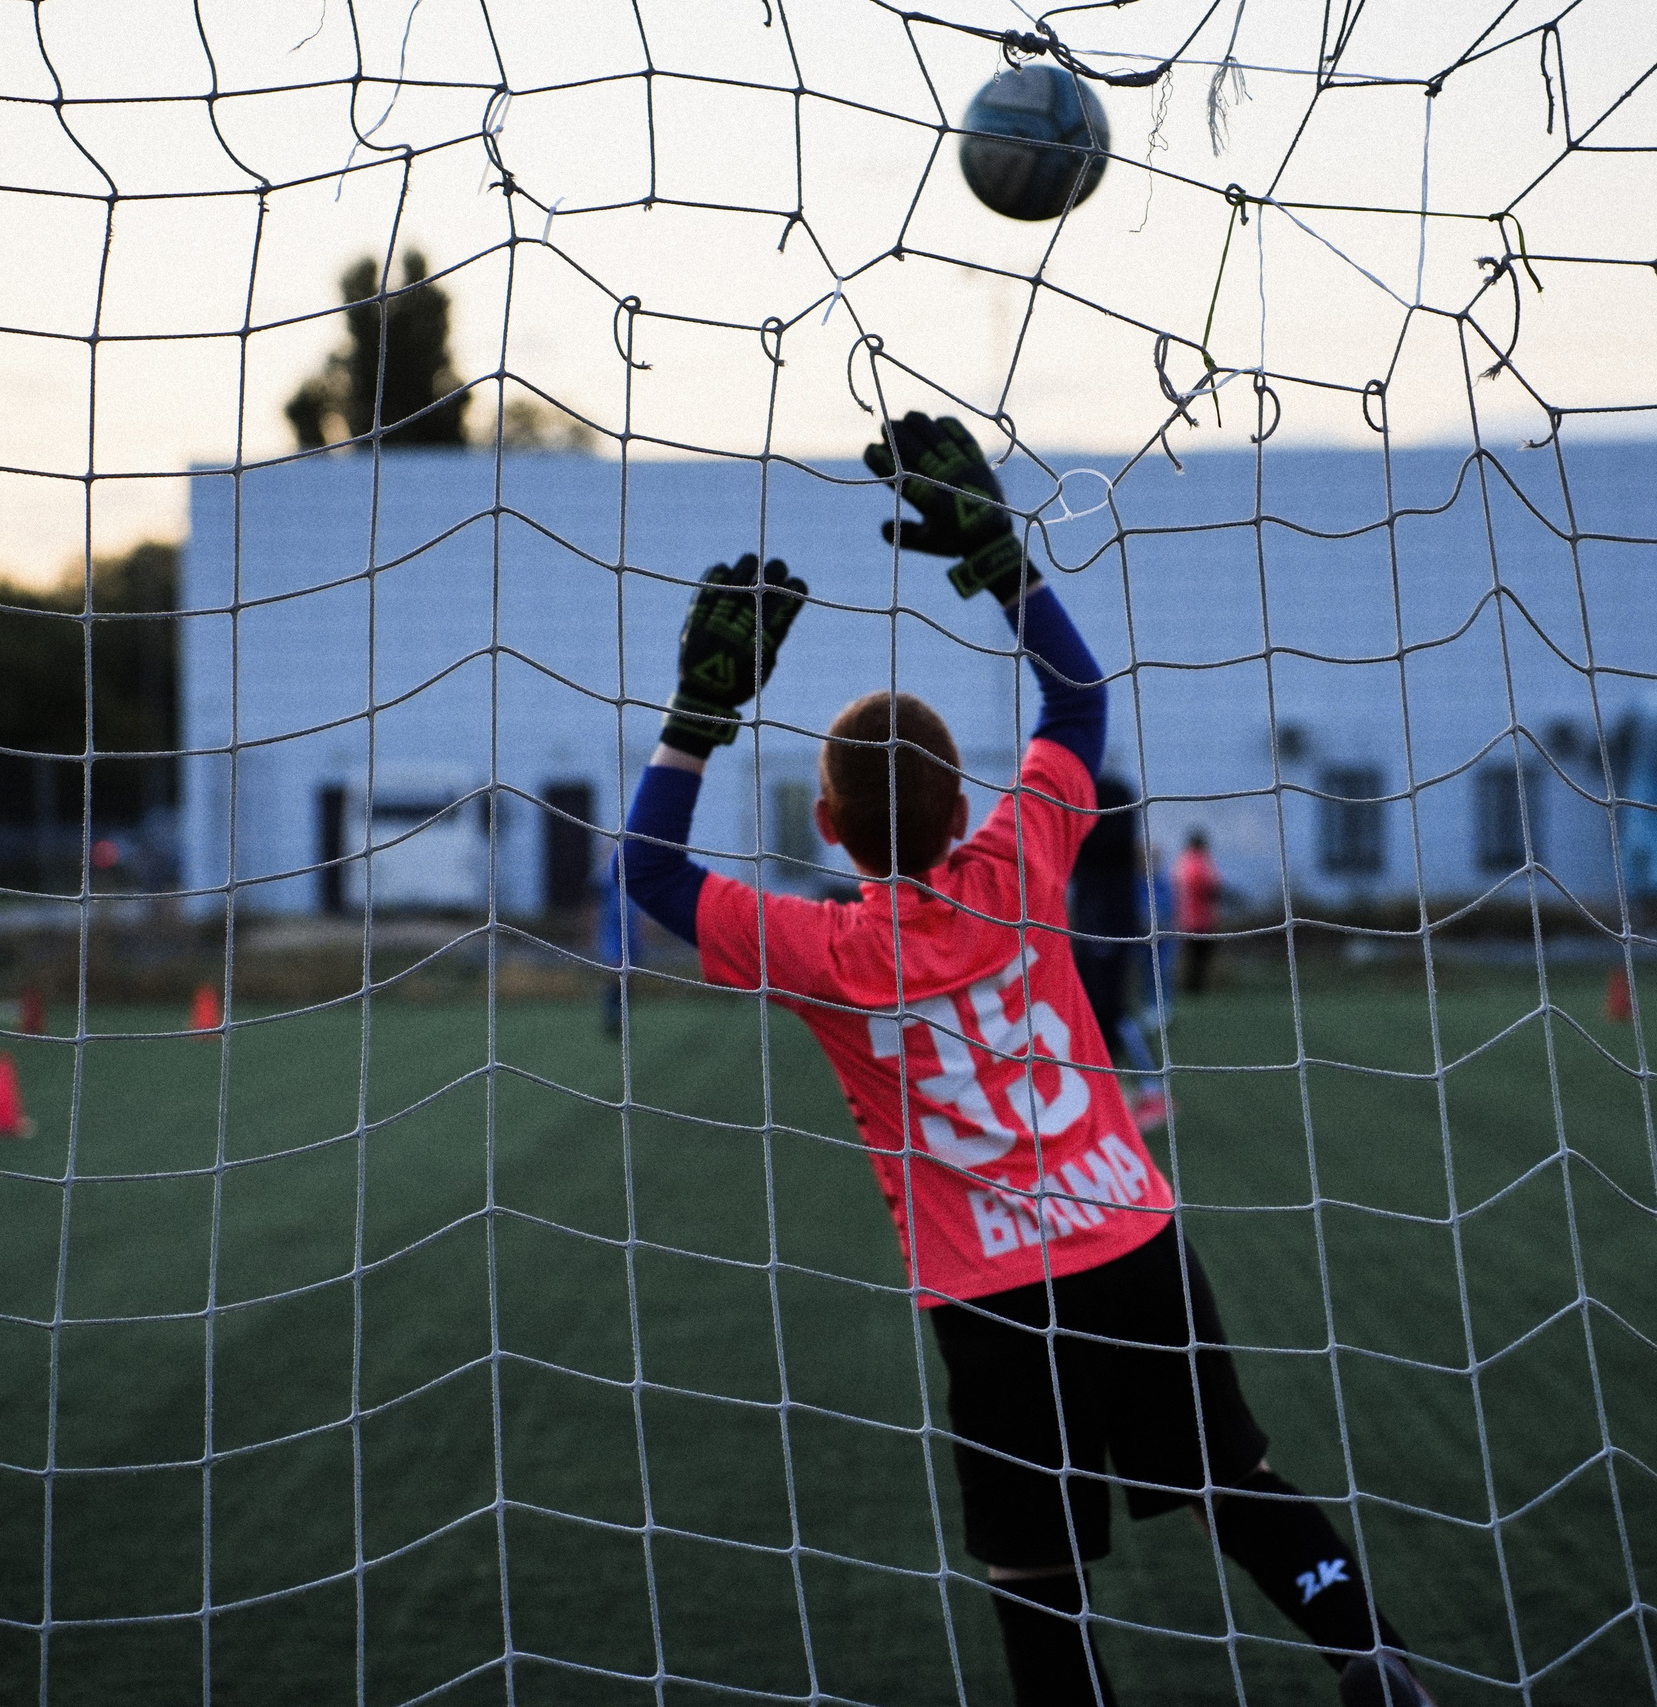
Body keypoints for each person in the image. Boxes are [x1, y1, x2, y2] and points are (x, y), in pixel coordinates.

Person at [611, 413, 1436, 1707]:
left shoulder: (823, 950)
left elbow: (650, 870)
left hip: (991, 1300)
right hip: (1132, 1239)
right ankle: (1369, 1654)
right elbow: (1080, 698)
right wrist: (1000, 559)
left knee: (1037, 1576)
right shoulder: (1024, 857)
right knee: (1235, 1483)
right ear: (967, 806)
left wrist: (697, 715)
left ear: (828, 824)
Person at [1069, 773, 1166, 1130]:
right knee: (1092, 1008)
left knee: (1109, 1009)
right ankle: (1112, 1091)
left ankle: (1150, 1090)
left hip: (1106, 925)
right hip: (1098, 922)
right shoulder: (1097, 853)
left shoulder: (1106, 840)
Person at [1173, 830, 1223, 995]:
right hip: (1201, 918)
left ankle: (1190, 986)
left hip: (1185, 917)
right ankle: (1194, 987)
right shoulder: (1200, 862)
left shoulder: (1182, 862)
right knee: (1200, 954)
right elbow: (1210, 886)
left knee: (1191, 954)